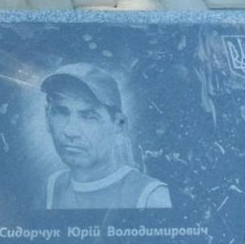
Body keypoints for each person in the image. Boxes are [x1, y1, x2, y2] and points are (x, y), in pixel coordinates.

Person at [41, 63, 171, 210]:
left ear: (119, 125)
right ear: (47, 117)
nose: (70, 131)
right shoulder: (53, 186)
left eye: (89, 116)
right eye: (61, 112)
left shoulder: (151, 198)